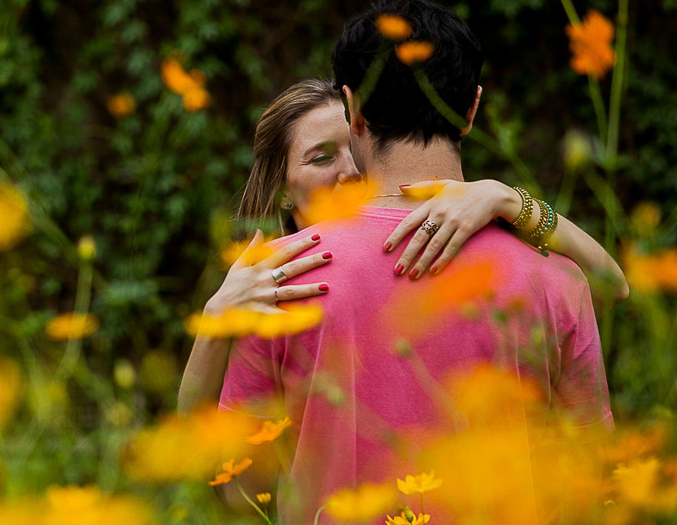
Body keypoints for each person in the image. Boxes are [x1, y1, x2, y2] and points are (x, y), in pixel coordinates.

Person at [213, 0, 616, 525]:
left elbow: (237, 490)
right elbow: (593, 486)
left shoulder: (283, 274)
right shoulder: (555, 280)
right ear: (473, 107)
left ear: (353, 109)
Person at [178, 79, 627, 413]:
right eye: (321, 158)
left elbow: (609, 286)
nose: (350, 170)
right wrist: (217, 319)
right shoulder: (264, 287)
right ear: (280, 187)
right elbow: (207, 448)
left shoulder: (440, 233)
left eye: (354, 148)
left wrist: (512, 199)